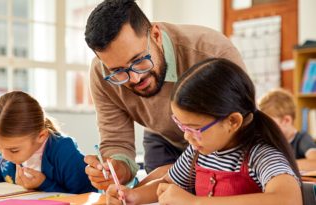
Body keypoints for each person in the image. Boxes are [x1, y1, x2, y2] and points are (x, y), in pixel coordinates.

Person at [84, 0, 246, 190]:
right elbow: (116, 140)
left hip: (220, 145)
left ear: (156, 35)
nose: (135, 78)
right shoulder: (102, 74)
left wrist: (178, 175)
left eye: (138, 60)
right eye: (118, 70)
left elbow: (239, 130)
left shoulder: (213, 52)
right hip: (162, 137)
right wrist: (117, 169)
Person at [106, 58, 302, 205]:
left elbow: (289, 199)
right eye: (182, 125)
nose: (186, 136)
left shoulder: (260, 156)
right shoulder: (198, 152)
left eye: (195, 129)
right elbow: (167, 183)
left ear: (232, 121)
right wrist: (132, 196)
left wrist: (195, 202)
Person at [0, 91, 96, 194]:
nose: (4, 155)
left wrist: (44, 184)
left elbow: (87, 197)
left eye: (14, 150)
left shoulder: (64, 152)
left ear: (41, 136)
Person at [259, 88, 316, 171]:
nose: (264, 129)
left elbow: (314, 163)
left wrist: (280, 165)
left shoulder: (302, 139)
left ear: (286, 120)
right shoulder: (270, 142)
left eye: (268, 124)